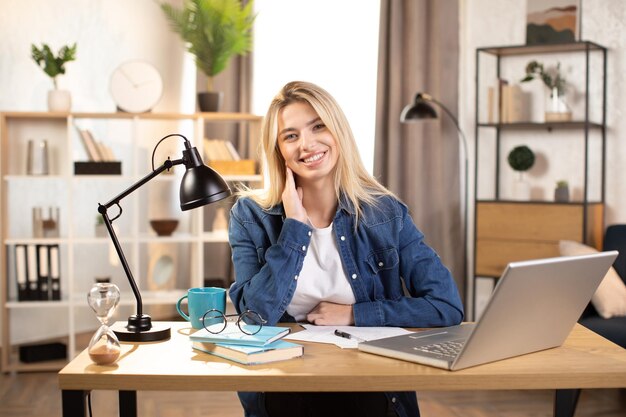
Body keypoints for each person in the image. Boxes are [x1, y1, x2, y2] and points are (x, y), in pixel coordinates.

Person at [228, 81, 464, 417]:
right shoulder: (251, 215)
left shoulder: (386, 213)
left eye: (318, 126)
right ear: (278, 149)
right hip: (285, 389)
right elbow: (254, 317)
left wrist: (355, 315)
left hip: (370, 386)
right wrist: (295, 228)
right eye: (291, 136)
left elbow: (445, 305)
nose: (307, 144)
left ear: (337, 131)